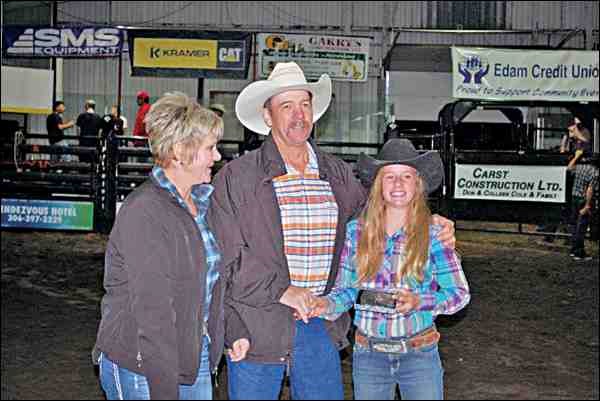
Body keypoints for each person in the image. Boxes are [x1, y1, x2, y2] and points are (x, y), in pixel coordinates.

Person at [206, 61, 456, 400]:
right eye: (286, 106)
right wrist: (283, 290)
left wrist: (429, 223)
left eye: (305, 104)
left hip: (320, 319)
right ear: (267, 117)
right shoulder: (236, 178)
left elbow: (379, 219)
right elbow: (227, 253)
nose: (299, 115)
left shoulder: (336, 174)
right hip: (256, 319)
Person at [93, 92, 243, 400]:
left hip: (193, 352)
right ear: (179, 151)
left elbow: (216, 280)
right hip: (142, 362)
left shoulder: (204, 204)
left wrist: (233, 329)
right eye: (209, 148)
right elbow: (153, 311)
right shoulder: (145, 211)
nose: (217, 157)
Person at [311, 139, 470, 400]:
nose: (398, 184)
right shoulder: (355, 233)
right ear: (377, 186)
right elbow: (348, 290)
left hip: (419, 353)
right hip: (368, 356)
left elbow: (459, 294)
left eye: (406, 176)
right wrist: (324, 305)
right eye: (390, 177)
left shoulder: (434, 234)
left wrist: (420, 301)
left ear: (417, 185)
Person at [569, 157, 598, 261]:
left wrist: (576, 157)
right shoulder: (595, 173)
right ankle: (579, 252)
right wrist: (587, 205)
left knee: (574, 225)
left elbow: (569, 168)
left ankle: (573, 250)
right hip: (583, 200)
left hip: (574, 197)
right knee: (581, 228)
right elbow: (590, 190)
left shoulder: (581, 167)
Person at [76, 99, 103, 164]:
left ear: (87, 106)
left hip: (83, 142)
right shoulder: (98, 117)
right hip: (94, 142)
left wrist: (79, 138)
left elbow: (78, 129)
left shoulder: (81, 116)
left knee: (83, 160)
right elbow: (100, 131)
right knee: (93, 160)